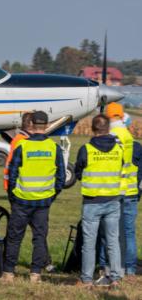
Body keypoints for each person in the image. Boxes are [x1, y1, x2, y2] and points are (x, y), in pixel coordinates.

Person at [2, 111, 65, 283]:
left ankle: (8, 272)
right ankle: (35, 273)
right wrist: (52, 195)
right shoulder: (54, 148)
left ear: (32, 124)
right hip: (43, 201)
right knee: (39, 237)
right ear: (45, 125)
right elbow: (61, 178)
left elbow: (12, 173)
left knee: (15, 237)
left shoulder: (23, 146)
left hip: (21, 199)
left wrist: (13, 195)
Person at [74, 114, 124, 288]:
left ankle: (87, 280)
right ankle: (116, 278)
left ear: (93, 129)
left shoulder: (86, 149)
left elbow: (78, 171)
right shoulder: (119, 149)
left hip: (92, 201)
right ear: (108, 129)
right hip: (113, 200)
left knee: (89, 243)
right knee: (113, 241)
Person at [96, 102, 140, 277]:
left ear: (107, 117)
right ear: (122, 116)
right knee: (129, 231)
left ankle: (106, 266)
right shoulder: (129, 137)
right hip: (130, 190)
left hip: (114, 189)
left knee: (109, 231)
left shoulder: (110, 136)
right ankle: (129, 269)